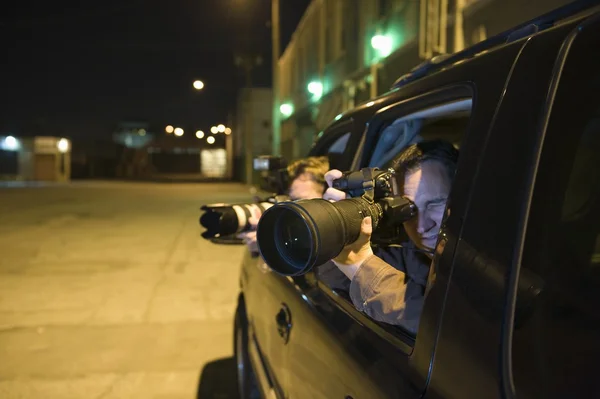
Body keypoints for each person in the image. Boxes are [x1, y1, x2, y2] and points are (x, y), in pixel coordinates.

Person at [323, 140, 458, 333]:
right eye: (410, 210)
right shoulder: (408, 251)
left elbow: (449, 327)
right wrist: (339, 225)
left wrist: (361, 265)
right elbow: (335, 278)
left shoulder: (489, 259)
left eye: (436, 204)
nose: (421, 226)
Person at [238, 156, 329, 253]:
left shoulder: (338, 246)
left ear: (329, 197)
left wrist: (277, 246)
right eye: (291, 201)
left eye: (303, 202)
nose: (295, 210)